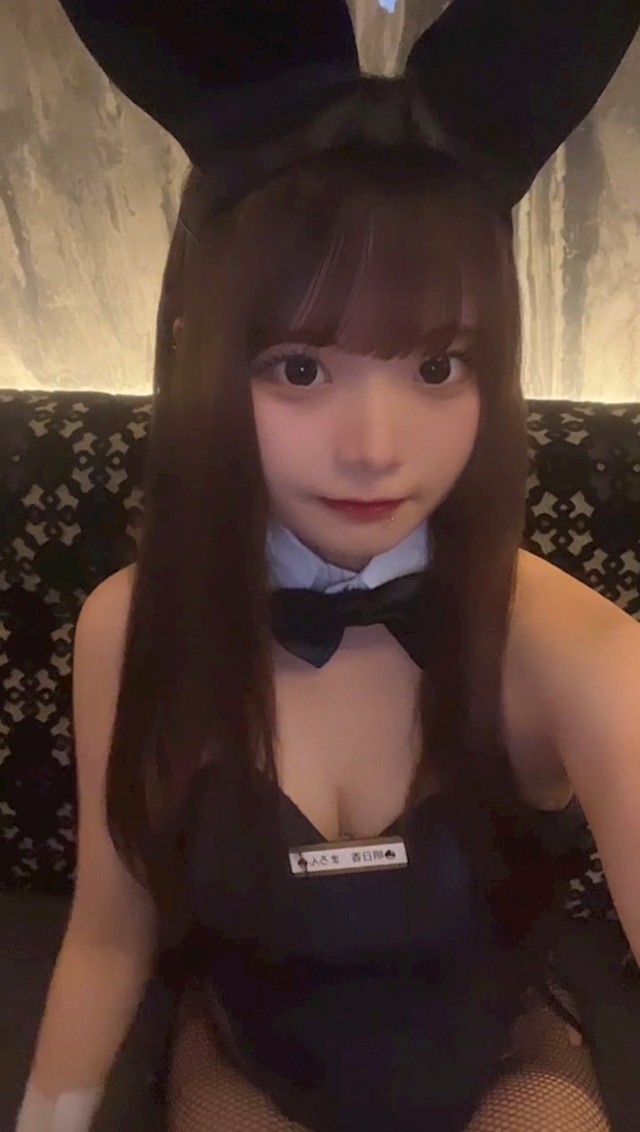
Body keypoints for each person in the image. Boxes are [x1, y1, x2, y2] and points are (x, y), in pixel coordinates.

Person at [14, 2, 640, 1131]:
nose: (375, 447)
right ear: (203, 361)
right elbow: (110, 934)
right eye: (300, 368)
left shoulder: (576, 651)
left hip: (503, 1054)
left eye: (438, 366)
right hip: (245, 1057)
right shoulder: (133, 626)